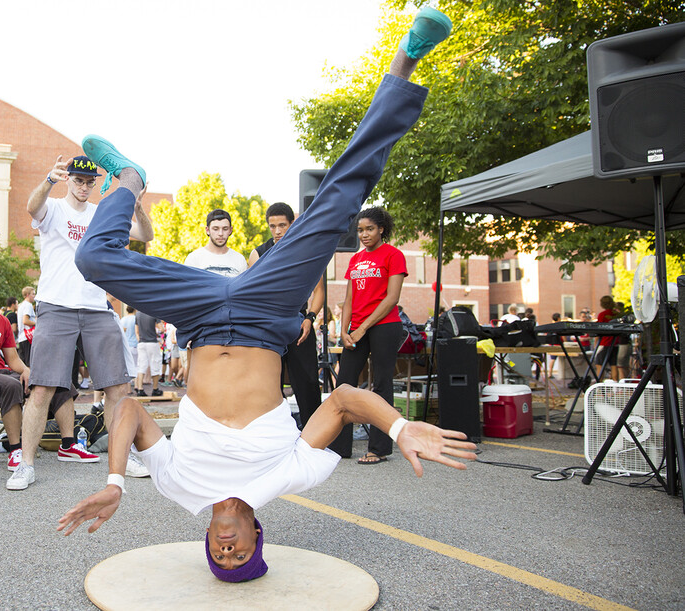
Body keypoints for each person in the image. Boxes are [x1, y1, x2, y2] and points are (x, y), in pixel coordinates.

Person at [57, 9, 475, 583]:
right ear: (259, 537)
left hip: (199, 315)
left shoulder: (180, 488)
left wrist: (114, 480)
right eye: (240, 553)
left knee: (92, 259)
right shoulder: (289, 477)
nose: (228, 547)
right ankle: (407, 60)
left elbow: (126, 408)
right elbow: (345, 400)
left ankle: (129, 178)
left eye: (220, 555)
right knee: (338, 204)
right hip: (262, 310)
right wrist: (403, 428)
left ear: (208, 539)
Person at [8, 155, 155, 491]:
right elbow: (33, 207)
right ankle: (26, 464)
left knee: (118, 386)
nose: (84, 186)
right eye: (78, 180)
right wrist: (48, 178)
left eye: (90, 182)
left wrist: (137, 204)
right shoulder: (54, 208)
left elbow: (144, 236)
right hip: (56, 306)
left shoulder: (101, 214)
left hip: (96, 307)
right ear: (68, 180)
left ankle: (124, 455)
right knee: (43, 387)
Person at [0, 265, 79, 473]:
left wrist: (27, 371)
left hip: (1, 373)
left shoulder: (2, 320)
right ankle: (16, 450)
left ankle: (69, 445)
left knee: (56, 379)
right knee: (11, 385)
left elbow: (13, 360)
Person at [328, 205, 407, 464]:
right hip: (356, 329)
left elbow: (391, 298)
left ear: (381, 229)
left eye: (369, 229)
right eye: (360, 230)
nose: (364, 234)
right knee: (344, 385)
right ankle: (340, 447)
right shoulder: (355, 259)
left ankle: (379, 448)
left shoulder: (393, 255)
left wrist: (363, 328)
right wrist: (344, 329)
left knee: (381, 385)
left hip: (384, 326)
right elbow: (349, 298)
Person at [248, 202, 326, 429]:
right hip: (269, 325)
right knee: (269, 382)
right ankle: (273, 431)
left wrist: (310, 318)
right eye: (272, 226)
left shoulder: (307, 251)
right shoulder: (258, 253)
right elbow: (252, 293)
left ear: (292, 224)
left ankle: (313, 432)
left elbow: (319, 290)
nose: (278, 231)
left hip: (299, 322)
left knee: (308, 380)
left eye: (282, 225)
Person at [183, 209, 248, 277]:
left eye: (225, 229)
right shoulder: (194, 259)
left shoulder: (239, 259)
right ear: (207, 230)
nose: (220, 233)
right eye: (215, 229)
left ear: (230, 230)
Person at [134, 309, 163, 397]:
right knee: (155, 365)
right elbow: (161, 329)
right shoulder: (154, 312)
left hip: (141, 343)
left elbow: (137, 331)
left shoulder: (138, 314)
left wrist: (140, 340)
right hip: (152, 342)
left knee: (141, 366)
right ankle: (155, 389)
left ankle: (140, 389)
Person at [15, 286, 36, 366]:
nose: (34, 296)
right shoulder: (28, 305)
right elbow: (25, 321)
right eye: (33, 294)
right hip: (28, 337)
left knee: (23, 364)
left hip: (22, 338)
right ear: (27, 295)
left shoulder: (21, 305)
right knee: (29, 364)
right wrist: (37, 323)